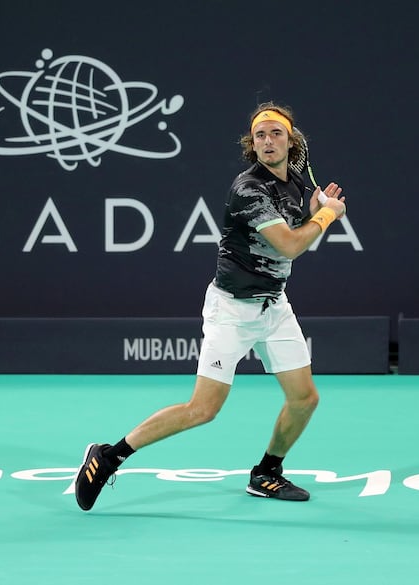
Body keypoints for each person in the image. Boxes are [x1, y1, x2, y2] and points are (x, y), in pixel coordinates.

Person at [74, 101, 346, 511]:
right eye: (260, 135)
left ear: (292, 141)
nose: (268, 141)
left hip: (274, 306)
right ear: (251, 145)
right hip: (232, 311)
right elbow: (290, 244)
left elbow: (290, 230)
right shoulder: (248, 189)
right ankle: (109, 456)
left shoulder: (293, 181)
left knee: (305, 398)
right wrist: (326, 217)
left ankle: (266, 472)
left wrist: (310, 210)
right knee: (203, 409)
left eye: (276, 133)